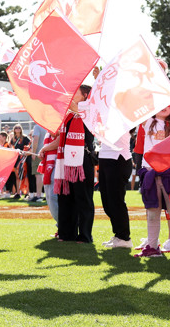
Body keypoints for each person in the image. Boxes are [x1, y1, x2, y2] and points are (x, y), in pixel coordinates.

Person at [41, 85, 95, 243]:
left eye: (75, 91)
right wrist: (46, 147)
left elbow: (80, 112)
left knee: (83, 198)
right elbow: (60, 140)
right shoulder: (69, 116)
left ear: (85, 95)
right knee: (66, 196)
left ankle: (85, 235)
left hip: (83, 160)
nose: (71, 94)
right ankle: (66, 233)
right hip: (66, 160)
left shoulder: (90, 111)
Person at [134, 105, 170, 257]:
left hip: (168, 173)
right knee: (153, 213)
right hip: (150, 174)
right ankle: (152, 246)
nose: (165, 107)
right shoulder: (148, 121)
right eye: (161, 103)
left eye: (168, 104)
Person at [11, 124, 31, 199]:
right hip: (16, 159)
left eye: (19, 128)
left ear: (21, 129)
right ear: (14, 129)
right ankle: (18, 193)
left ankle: (27, 192)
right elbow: (11, 147)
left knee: (24, 176)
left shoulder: (25, 138)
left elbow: (30, 145)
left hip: (23, 159)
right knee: (17, 176)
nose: (17, 129)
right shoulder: (13, 139)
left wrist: (25, 152)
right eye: (16, 128)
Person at [29, 124, 47, 201]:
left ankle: (39, 195)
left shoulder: (37, 127)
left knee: (38, 175)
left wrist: (33, 152)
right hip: (47, 153)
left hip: (38, 153)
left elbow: (35, 139)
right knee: (45, 174)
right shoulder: (47, 126)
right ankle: (43, 194)